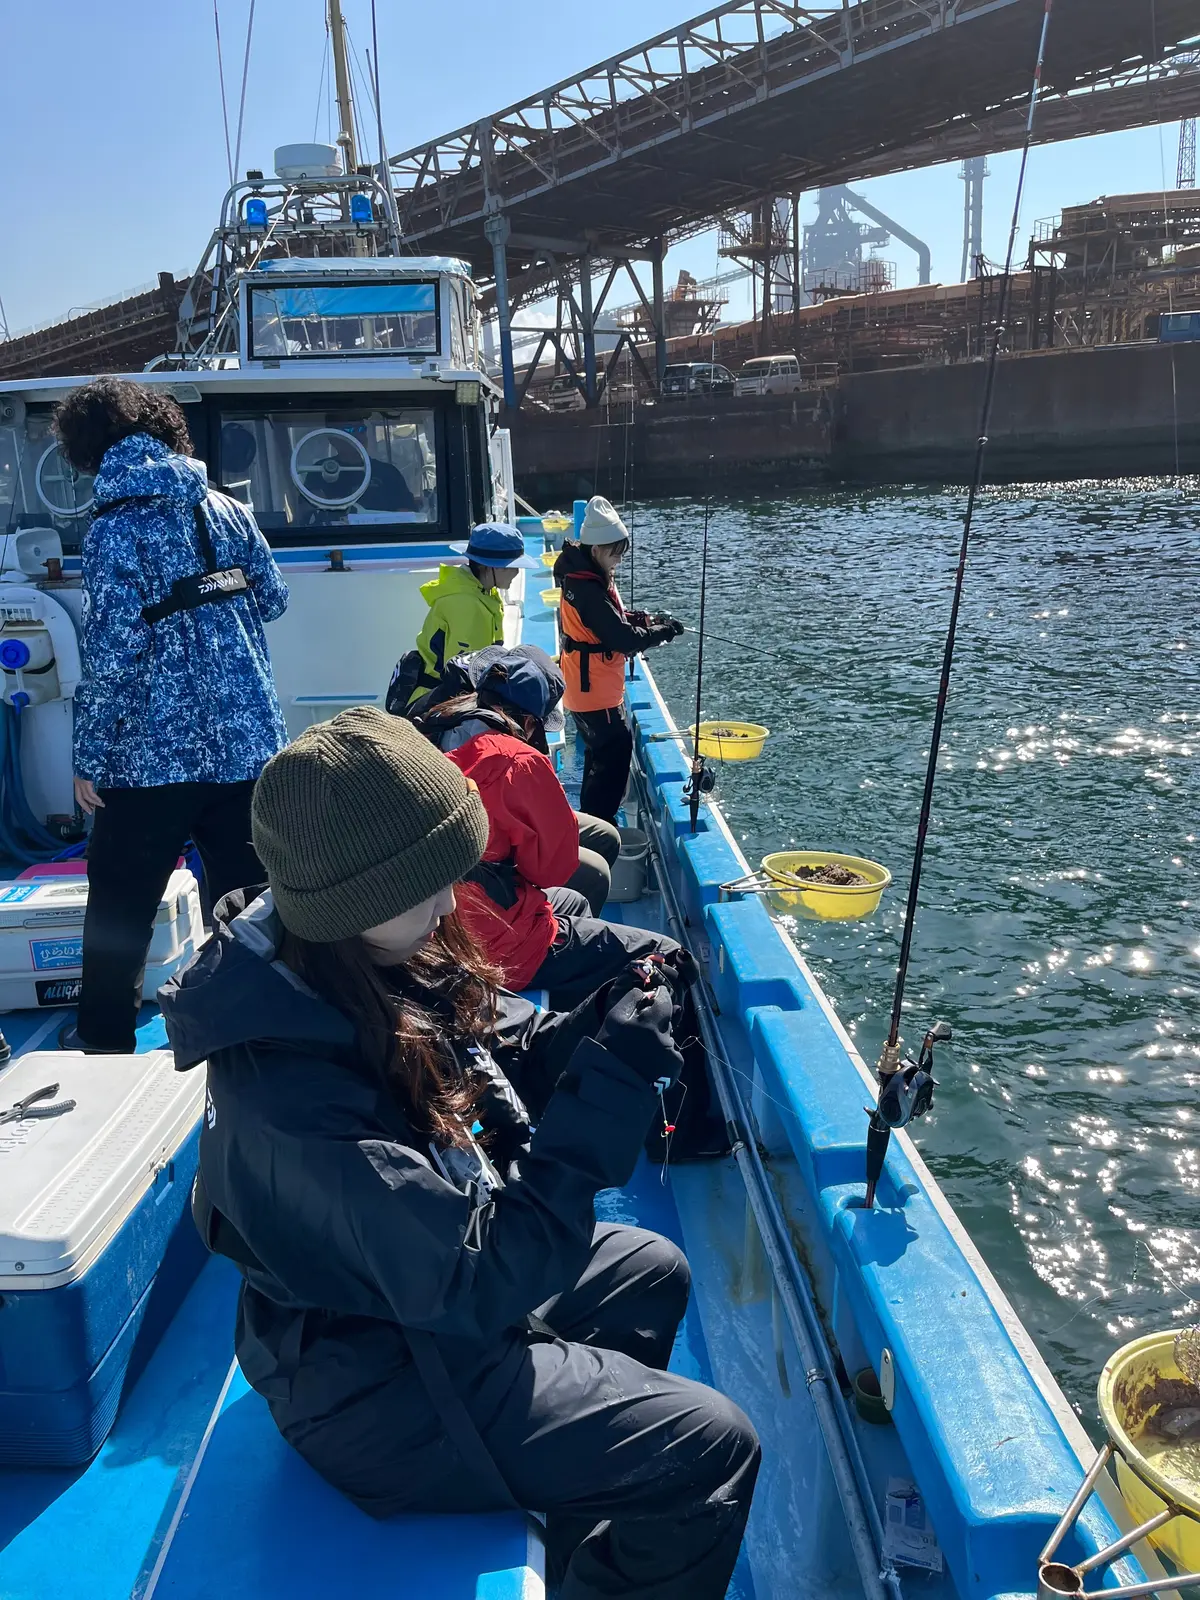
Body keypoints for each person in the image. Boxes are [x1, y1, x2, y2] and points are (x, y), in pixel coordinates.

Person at [158, 708, 760, 1600]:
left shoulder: (335, 959)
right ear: (357, 898)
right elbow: (484, 1280)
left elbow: (475, 1065)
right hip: (371, 1390)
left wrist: (586, 1039)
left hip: (400, 1308)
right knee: (711, 1446)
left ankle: (587, 1511)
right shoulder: (296, 1105)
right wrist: (612, 1093)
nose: (451, 904)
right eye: (428, 887)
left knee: (653, 1266)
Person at [54, 376, 289, 1054]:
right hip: (247, 750)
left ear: (88, 451)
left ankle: (103, 1046)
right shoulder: (226, 508)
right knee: (253, 909)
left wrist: (89, 758)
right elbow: (272, 600)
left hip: (148, 762)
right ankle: (258, 1042)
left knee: (120, 912)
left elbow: (114, 651)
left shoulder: (111, 529)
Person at [416, 645, 681, 1009]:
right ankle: (579, 1010)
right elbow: (550, 870)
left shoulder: (434, 724)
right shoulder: (517, 760)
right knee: (669, 956)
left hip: (434, 923)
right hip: (489, 940)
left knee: (574, 899)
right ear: (529, 721)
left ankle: (572, 1001)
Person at [555, 496, 683, 825]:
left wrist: (647, 620)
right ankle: (601, 827)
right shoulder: (588, 590)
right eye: (614, 554)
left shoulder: (580, 575)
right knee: (615, 750)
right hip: (595, 694)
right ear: (597, 549)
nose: (617, 562)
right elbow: (622, 639)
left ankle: (588, 823)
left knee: (599, 758)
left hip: (583, 691)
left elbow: (613, 620)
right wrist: (663, 633)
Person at [388, 523, 540, 709]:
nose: (517, 572)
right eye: (510, 566)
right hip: (438, 704)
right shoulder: (467, 604)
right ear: (488, 567)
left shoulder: (478, 589)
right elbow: (461, 676)